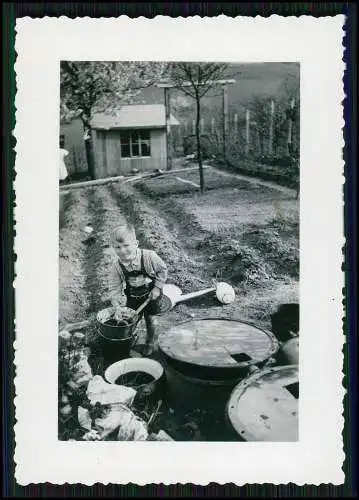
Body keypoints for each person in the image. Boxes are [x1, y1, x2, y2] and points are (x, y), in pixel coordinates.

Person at [108, 223, 168, 356]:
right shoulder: (116, 266)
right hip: (132, 295)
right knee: (131, 320)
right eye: (117, 247)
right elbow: (114, 287)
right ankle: (130, 339)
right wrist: (117, 306)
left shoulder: (149, 256)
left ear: (136, 243)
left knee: (150, 319)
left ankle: (150, 342)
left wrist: (157, 288)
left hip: (151, 293)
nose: (122, 251)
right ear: (113, 248)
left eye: (126, 246)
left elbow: (162, 270)